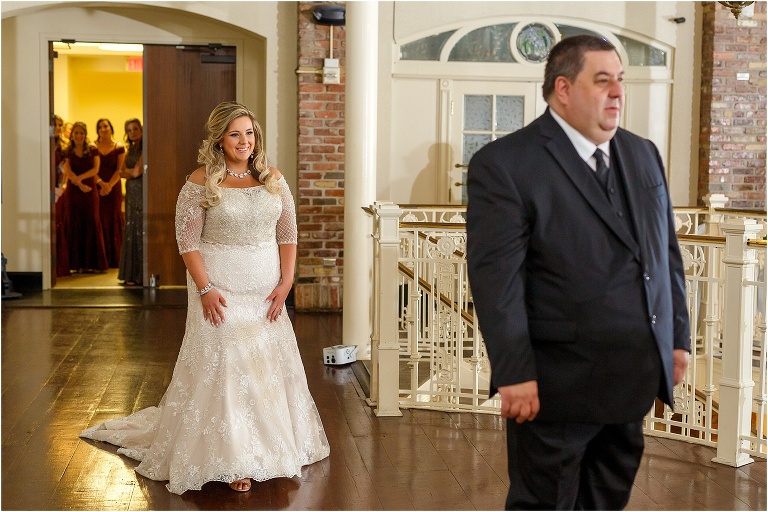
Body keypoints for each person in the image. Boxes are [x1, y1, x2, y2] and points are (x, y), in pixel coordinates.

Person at [466, 35, 691, 510]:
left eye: (620, 80)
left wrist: (676, 338)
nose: (618, 92)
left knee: (608, 500)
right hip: (556, 385)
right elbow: (497, 281)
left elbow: (665, 255)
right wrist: (513, 371)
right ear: (563, 89)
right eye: (602, 80)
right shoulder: (505, 164)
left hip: (631, 376)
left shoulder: (643, 153)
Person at [80, 101, 330, 494]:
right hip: (219, 290)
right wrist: (205, 289)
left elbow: (287, 234)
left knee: (263, 363)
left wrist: (287, 282)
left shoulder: (272, 178)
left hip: (265, 291)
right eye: (235, 134)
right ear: (219, 140)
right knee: (228, 364)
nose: (244, 141)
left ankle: (274, 446)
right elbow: (188, 241)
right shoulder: (201, 181)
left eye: (249, 133)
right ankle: (233, 458)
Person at [62, 121, 108, 273]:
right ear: (72, 135)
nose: (79, 136)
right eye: (76, 132)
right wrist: (78, 184)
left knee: (91, 220)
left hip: (89, 190)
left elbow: (95, 169)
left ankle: (93, 264)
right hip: (74, 192)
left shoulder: (92, 149)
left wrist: (80, 180)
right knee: (74, 221)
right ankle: (76, 264)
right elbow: (67, 170)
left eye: (81, 133)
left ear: (85, 134)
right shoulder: (67, 150)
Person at [94, 118, 126, 268]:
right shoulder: (93, 147)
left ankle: (115, 258)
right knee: (98, 218)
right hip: (97, 187)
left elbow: (119, 170)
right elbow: (91, 169)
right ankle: (100, 257)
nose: (103, 129)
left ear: (111, 128)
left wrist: (109, 186)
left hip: (113, 189)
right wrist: (101, 184)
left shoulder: (119, 147)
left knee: (114, 217)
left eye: (106, 126)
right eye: (100, 127)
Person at [118, 118, 143, 286]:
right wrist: (129, 172)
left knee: (139, 227)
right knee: (130, 227)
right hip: (131, 193)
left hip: (141, 191)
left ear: (141, 129)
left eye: (135, 129)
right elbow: (120, 172)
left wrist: (129, 172)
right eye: (129, 130)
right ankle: (130, 274)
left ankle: (141, 274)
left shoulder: (145, 148)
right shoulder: (130, 149)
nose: (132, 132)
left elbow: (136, 172)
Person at [52, 115, 71, 277]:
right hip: (45, 187)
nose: (57, 127)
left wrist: (61, 187)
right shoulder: (45, 143)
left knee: (58, 223)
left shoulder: (62, 146)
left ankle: (60, 266)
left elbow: (64, 170)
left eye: (59, 125)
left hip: (59, 189)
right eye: (55, 124)